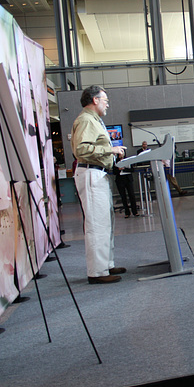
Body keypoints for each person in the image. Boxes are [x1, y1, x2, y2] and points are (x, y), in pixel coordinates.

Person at [71, 85, 127, 284]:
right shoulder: (86, 120)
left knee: (106, 222)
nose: (107, 104)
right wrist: (110, 150)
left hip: (98, 173)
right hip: (90, 173)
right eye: (105, 100)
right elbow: (81, 149)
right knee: (97, 224)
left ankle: (106, 265)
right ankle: (97, 272)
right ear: (94, 100)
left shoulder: (94, 120)